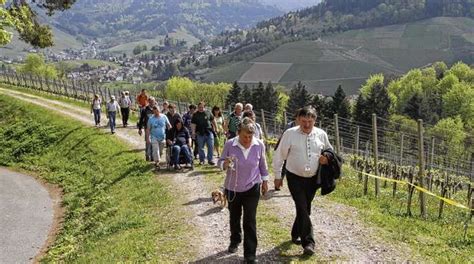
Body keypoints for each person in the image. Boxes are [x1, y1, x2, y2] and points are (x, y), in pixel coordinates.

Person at [272, 106, 333, 256]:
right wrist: (278, 175)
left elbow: (329, 150)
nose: (307, 125)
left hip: (313, 178)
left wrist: (327, 158)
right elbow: (280, 155)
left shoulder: (321, 134)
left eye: (310, 121)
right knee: (302, 206)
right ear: (298, 119)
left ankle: (295, 233)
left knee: (304, 207)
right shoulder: (290, 134)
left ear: (315, 120)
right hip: (294, 177)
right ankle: (309, 242)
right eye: (304, 121)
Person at [218, 117, 269, 264]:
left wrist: (265, 181)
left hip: (252, 187)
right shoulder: (230, 144)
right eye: (244, 136)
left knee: (250, 220)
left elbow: (263, 164)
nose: (247, 139)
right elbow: (220, 163)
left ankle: (250, 254)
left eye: (250, 136)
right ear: (238, 133)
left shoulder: (258, 145)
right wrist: (225, 164)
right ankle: (235, 240)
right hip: (232, 188)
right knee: (234, 217)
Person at [191, 101, 217, 166]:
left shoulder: (208, 112)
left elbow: (213, 120)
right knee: (200, 147)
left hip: (209, 132)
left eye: (202, 107)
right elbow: (193, 124)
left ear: (204, 107)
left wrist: (216, 128)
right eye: (199, 107)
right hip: (200, 133)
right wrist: (193, 133)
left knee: (211, 146)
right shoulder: (195, 114)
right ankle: (202, 160)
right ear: (197, 107)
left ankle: (210, 160)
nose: (201, 108)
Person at [138, 97, 157, 161]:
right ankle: (147, 154)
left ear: (155, 102)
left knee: (154, 142)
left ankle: (152, 156)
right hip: (147, 128)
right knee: (148, 141)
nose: (152, 103)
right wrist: (140, 129)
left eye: (153, 101)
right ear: (148, 102)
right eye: (151, 101)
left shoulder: (156, 109)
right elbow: (141, 119)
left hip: (155, 128)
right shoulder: (145, 109)